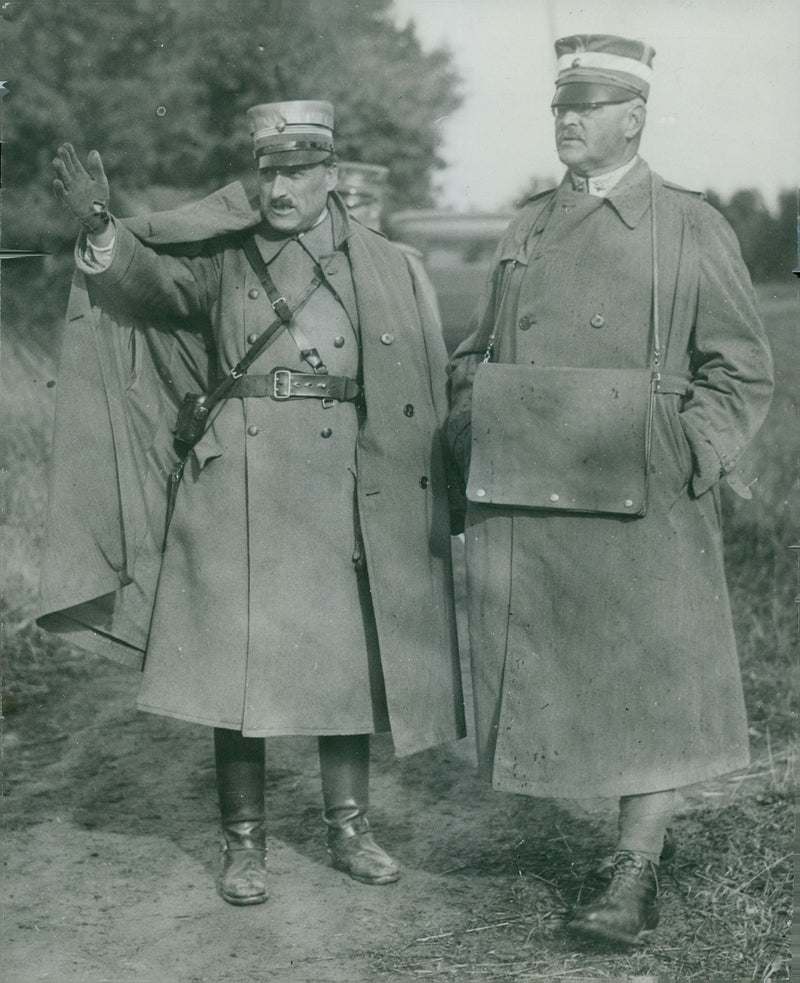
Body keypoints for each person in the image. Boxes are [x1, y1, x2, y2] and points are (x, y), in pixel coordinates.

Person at [40, 100, 465, 906]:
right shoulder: (228, 258)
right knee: (239, 669)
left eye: (299, 171)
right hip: (238, 477)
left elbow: (419, 382)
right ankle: (245, 846)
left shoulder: (382, 262)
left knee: (345, 658)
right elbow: (152, 288)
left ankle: (350, 830)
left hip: (342, 481)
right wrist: (104, 228)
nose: (281, 187)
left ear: (330, 176)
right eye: (270, 170)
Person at [446, 35, 773, 945]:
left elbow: (740, 369)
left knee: (652, 673)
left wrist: (688, 452)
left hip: (645, 488)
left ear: (635, 115)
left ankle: (633, 864)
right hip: (534, 486)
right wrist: (476, 420)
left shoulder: (687, 225)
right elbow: (476, 350)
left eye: (588, 105)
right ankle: (631, 840)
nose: (569, 120)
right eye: (560, 105)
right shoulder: (527, 226)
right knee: (568, 669)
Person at [337, 159, 443, 326]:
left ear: (375, 207)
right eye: (337, 207)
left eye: (350, 207)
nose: (342, 215)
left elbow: (431, 330)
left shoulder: (403, 261)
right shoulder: (331, 257)